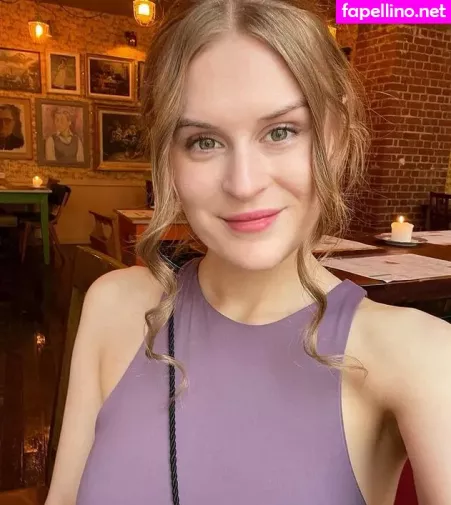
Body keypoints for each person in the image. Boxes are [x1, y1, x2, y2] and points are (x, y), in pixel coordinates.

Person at [45, 0, 451, 504]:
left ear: (336, 137)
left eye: (281, 132)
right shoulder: (114, 307)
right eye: (203, 141)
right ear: (167, 158)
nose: (243, 184)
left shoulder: (420, 356)